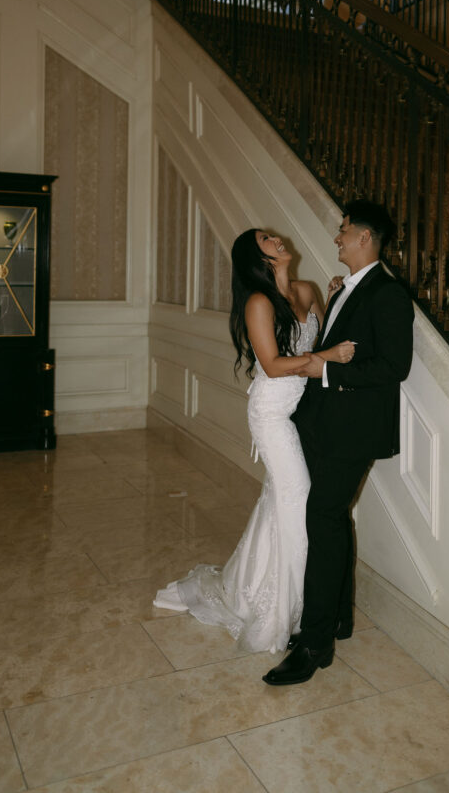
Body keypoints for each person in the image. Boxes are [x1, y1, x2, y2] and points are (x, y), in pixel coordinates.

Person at [153, 227, 355, 653]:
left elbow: (327, 338)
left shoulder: (306, 288)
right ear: (257, 256)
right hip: (271, 413)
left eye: (274, 235)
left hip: (299, 409)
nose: (277, 238)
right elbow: (275, 364)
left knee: (283, 501)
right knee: (298, 498)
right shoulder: (259, 303)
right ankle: (288, 611)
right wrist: (325, 359)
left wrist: (336, 297)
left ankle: (261, 586)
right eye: (267, 238)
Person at [263, 200, 414, 685]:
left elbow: (394, 367)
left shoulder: (388, 293)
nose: (337, 238)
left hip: (352, 431)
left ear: (366, 238)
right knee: (330, 518)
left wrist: (324, 368)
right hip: (325, 424)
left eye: (344, 230)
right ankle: (339, 620)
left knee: (323, 519)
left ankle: (315, 643)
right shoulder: (350, 288)